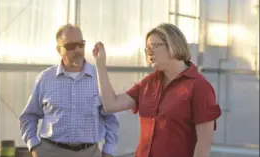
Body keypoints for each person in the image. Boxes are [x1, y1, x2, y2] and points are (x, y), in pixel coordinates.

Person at [92, 23, 222, 157]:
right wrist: (100, 65)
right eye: (147, 48)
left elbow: (204, 142)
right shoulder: (147, 84)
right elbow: (111, 104)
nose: (149, 52)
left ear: (172, 45)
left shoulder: (199, 87)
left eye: (154, 46)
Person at [19, 24, 119, 157]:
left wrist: (108, 150)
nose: (77, 50)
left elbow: (111, 118)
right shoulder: (45, 79)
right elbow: (28, 116)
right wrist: (34, 147)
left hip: (89, 152)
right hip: (50, 152)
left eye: (80, 44)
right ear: (59, 50)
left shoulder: (98, 77)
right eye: (70, 46)